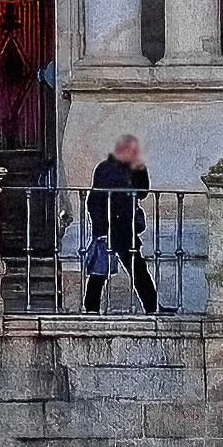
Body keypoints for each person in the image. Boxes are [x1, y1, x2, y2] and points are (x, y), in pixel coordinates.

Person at [82, 131, 158, 313]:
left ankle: (152, 306)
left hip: (125, 227)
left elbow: (142, 192)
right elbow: (95, 201)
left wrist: (140, 169)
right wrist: (100, 230)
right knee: (101, 270)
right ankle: (91, 307)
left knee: (137, 269)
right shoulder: (105, 169)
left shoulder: (131, 169)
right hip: (110, 227)